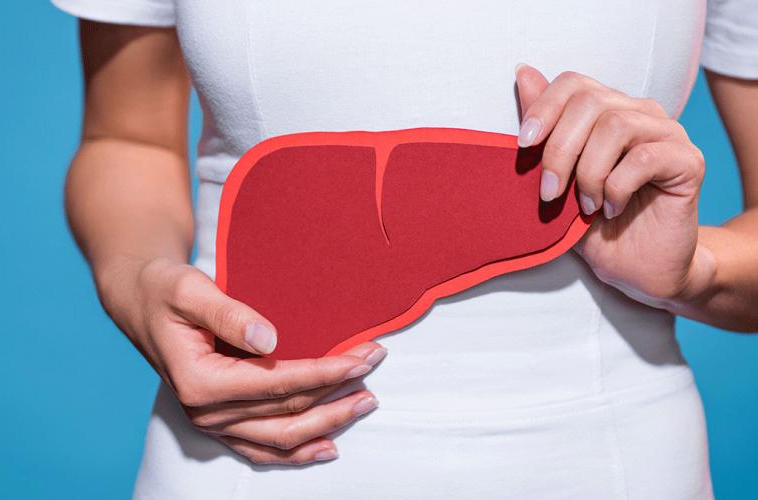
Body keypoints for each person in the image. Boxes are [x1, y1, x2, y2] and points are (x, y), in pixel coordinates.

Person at [53, 0, 758, 498]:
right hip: (247, 456)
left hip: (613, 461)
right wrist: (135, 282)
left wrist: (694, 271)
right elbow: (126, 139)